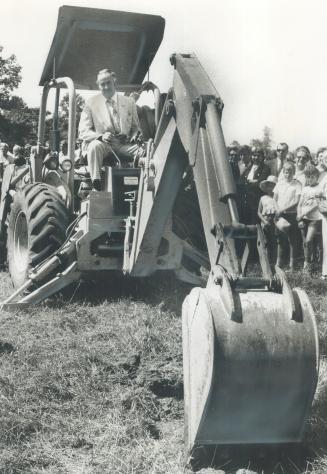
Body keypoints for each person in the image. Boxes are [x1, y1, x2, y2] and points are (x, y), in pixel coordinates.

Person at [78, 69, 144, 190]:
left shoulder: (129, 102)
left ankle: (144, 184)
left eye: (108, 82)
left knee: (145, 152)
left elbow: (136, 128)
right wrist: (101, 136)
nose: (106, 87)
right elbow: (83, 131)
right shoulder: (91, 103)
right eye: (102, 84)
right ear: (99, 86)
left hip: (124, 144)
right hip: (105, 144)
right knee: (94, 146)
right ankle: (96, 181)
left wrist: (135, 135)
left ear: (114, 82)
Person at [274, 161, 302, 270]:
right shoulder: (279, 184)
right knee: (280, 240)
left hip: (291, 215)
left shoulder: (297, 184)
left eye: (290, 172)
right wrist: (278, 211)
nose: (288, 174)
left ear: (294, 172)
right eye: (286, 172)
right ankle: (278, 265)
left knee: (292, 240)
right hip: (280, 216)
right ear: (283, 172)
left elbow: (297, 201)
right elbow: (275, 198)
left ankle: (292, 266)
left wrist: (283, 209)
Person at [297, 165, 323, 273]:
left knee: (309, 240)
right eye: (307, 177)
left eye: (312, 177)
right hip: (303, 218)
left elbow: (316, 204)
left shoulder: (320, 188)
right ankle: (307, 263)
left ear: (317, 177)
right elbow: (299, 204)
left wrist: (303, 214)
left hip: (315, 219)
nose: (309, 179)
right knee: (305, 242)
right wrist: (299, 217)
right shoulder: (305, 188)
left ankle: (312, 263)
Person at [242, 146, 270, 223]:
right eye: (254, 155)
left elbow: (260, 182)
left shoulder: (265, 168)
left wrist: (250, 182)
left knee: (255, 221)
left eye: (258, 156)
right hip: (246, 199)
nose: (256, 158)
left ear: (262, 157)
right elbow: (242, 180)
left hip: (256, 199)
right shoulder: (249, 167)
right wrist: (252, 181)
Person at [257, 175, 278, 262]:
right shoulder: (263, 198)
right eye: (269, 186)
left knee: (275, 239)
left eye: (273, 186)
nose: (271, 188)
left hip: (275, 220)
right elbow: (259, 212)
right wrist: (264, 221)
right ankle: (266, 260)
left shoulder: (277, 198)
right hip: (265, 220)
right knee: (266, 240)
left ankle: (275, 260)